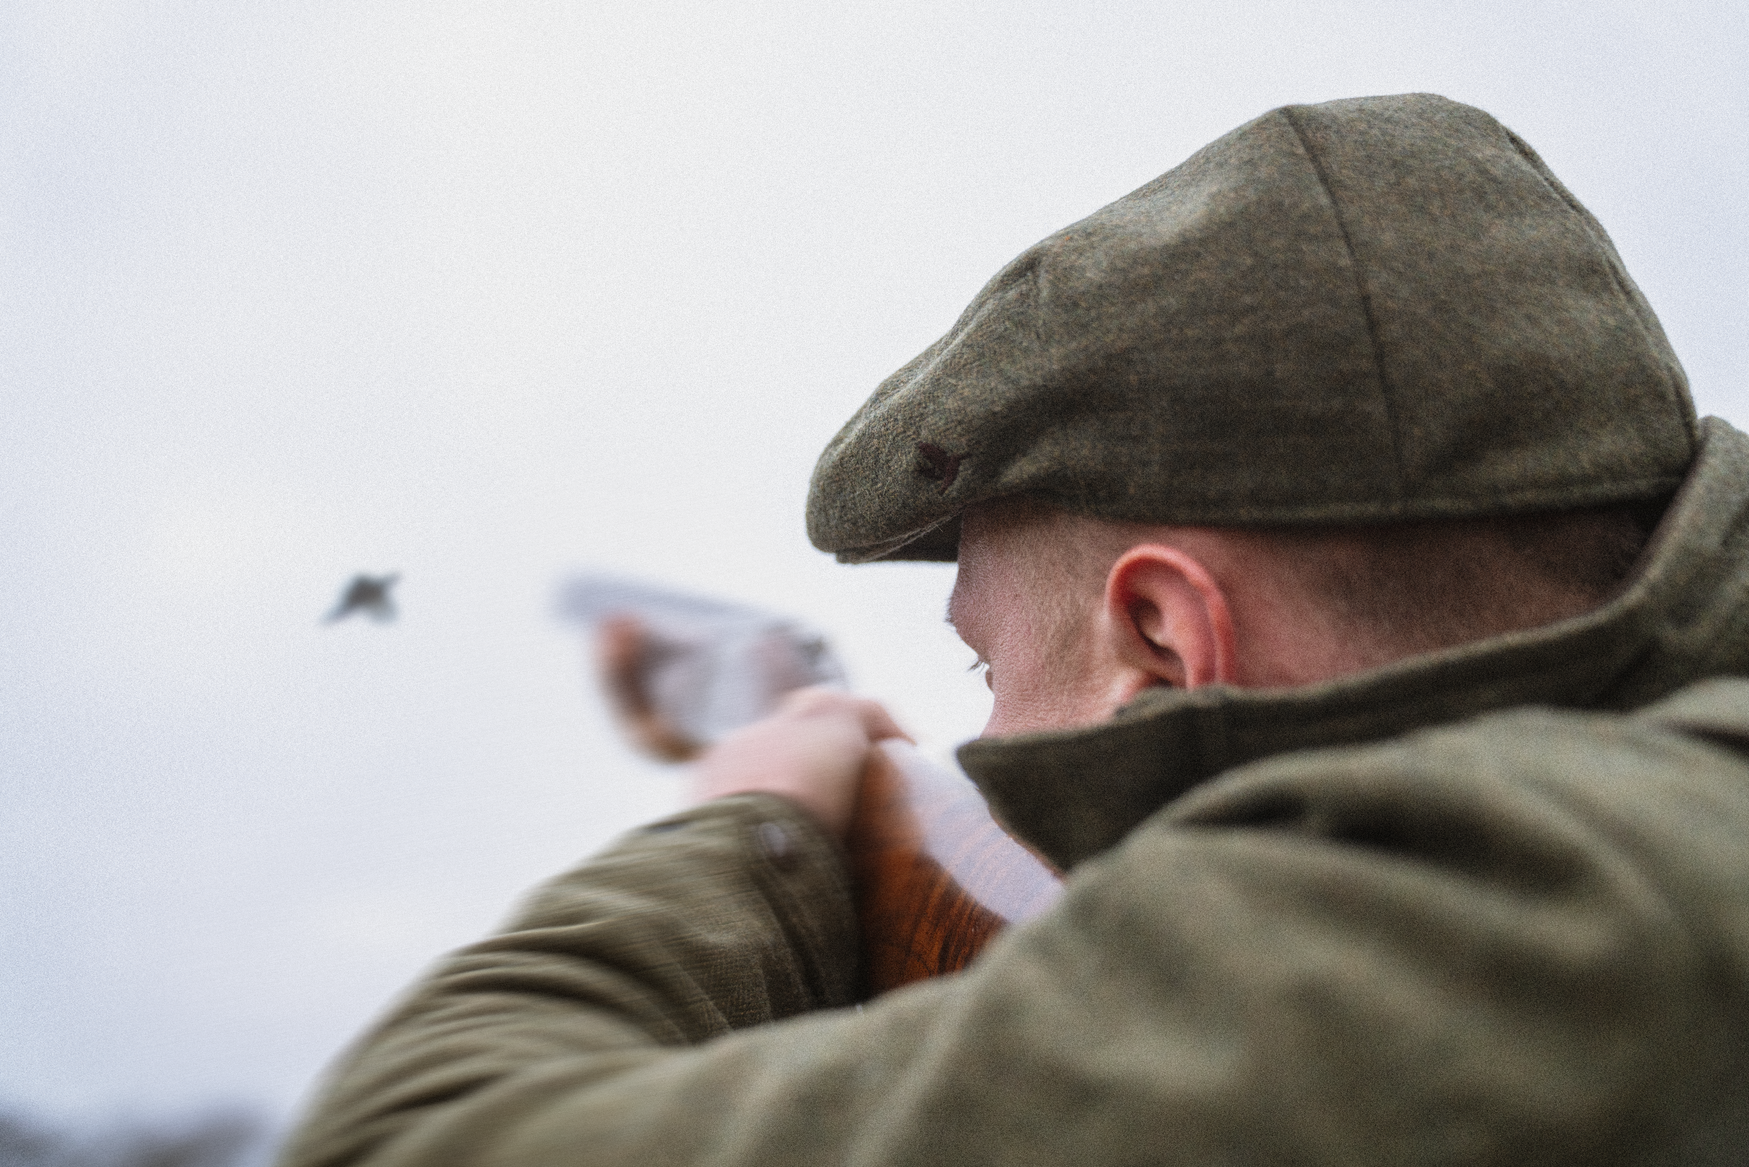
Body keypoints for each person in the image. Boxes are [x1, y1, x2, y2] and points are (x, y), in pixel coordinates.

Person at [279, 94, 1749, 1167]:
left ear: (1164, 643)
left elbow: (402, 1143)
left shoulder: (1568, 914)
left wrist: (767, 833)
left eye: (986, 668)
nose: (974, 742)